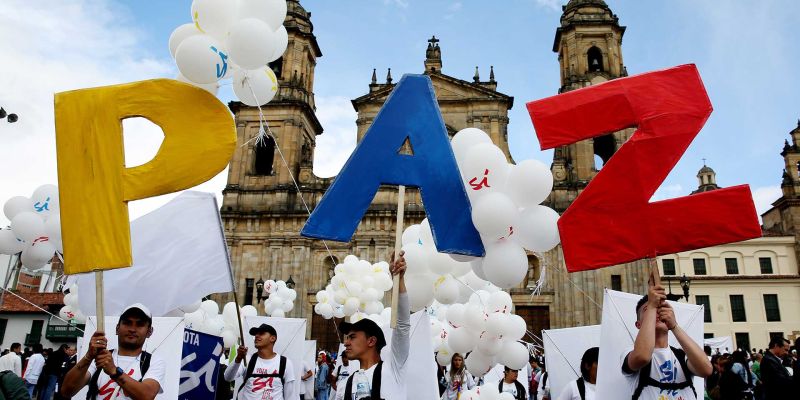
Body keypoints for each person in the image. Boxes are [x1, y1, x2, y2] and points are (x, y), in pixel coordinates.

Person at [621, 275, 712, 400]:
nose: (657, 312)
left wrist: (674, 326)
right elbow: (642, 357)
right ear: (638, 324)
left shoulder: (681, 356)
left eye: (660, 309)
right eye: (647, 311)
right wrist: (652, 306)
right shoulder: (630, 352)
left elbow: (706, 369)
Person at [338, 251, 409, 400]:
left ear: (371, 341)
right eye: (347, 338)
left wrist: (399, 280)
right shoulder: (345, 385)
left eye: (352, 337)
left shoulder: (392, 369)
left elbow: (402, 326)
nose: (346, 343)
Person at [60, 303, 167, 400]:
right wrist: (88, 356)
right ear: (117, 328)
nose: (132, 329)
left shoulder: (154, 361)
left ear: (149, 332)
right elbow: (66, 391)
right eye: (127, 323)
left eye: (140, 324)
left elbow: (147, 395)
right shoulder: (100, 358)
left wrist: (114, 371)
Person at [224, 323, 298, 400]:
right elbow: (228, 377)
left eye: (261, 333)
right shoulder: (247, 359)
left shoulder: (285, 363)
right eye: (256, 334)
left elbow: (290, 395)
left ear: (272, 338)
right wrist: (238, 358)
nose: (256, 336)